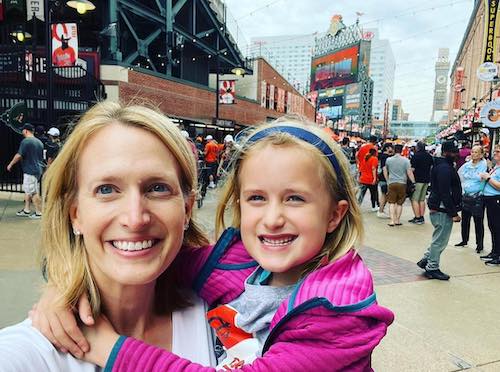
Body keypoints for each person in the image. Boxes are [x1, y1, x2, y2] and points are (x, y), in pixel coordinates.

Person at [32, 120, 394, 370]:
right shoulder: (237, 266)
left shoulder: (338, 311)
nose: (272, 218)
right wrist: (61, 286)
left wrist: (110, 348)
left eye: (295, 199)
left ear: (334, 215)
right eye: (256, 198)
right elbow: (133, 252)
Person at [0, 102, 216, 370]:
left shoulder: (233, 317)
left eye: (157, 188)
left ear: (186, 209)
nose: (135, 219)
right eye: (106, 190)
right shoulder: (28, 355)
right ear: (75, 214)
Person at [417, 141, 462, 280]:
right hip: (442, 208)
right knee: (440, 240)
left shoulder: (442, 166)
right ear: (446, 152)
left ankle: (426, 260)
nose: (456, 155)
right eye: (454, 152)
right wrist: (453, 213)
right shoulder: (444, 168)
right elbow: (445, 192)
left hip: (440, 207)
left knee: (438, 238)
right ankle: (432, 267)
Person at [6, 123, 44, 219]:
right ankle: (26, 210)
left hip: (30, 170)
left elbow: (19, 155)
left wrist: (10, 164)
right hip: (37, 169)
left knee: (33, 192)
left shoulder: (26, 141)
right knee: (28, 190)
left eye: (23, 130)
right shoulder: (39, 142)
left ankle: (39, 212)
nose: (22, 132)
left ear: (26, 131)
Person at [455, 145, 487, 253]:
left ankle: (479, 244)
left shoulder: (483, 165)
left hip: (478, 196)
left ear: (481, 154)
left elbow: (479, 177)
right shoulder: (467, 165)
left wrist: (472, 176)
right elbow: (461, 176)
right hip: (466, 195)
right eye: (472, 152)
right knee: (465, 220)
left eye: (476, 152)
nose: (473, 154)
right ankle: (464, 240)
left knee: (478, 221)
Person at [478, 144, 500, 265]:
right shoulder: (496, 166)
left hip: (496, 199)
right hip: (489, 199)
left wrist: (488, 178)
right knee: (492, 226)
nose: (495, 153)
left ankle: (498, 254)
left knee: (497, 227)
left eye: (498, 151)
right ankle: (494, 251)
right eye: (495, 151)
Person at [383, 144, 415, 226]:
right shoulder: (406, 161)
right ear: (401, 151)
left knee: (391, 203)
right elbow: (409, 172)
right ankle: (397, 220)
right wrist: (413, 181)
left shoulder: (388, 160)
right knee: (399, 203)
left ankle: (392, 221)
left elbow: (385, 171)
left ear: (394, 150)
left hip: (391, 183)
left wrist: (387, 180)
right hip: (402, 183)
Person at [409, 141, 433, 224]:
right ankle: (422, 217)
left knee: (415, 199)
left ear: (417, 148)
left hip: (418, 180)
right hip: (426, 179)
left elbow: (412, 169)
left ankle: (417, 217)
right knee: (422, 199)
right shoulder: (429, 156)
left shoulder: (415, 156)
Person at [377, 143, 393, 219]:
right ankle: (380, 211)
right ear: (387, 148)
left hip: (384, 178)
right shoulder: (385, 157)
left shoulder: (385, 156)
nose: (392, 149)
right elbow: (384, 169)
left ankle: (381, 210)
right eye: (391, 147)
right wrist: (387, 180)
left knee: (385, 194)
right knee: (384, 194)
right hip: (384, 178)